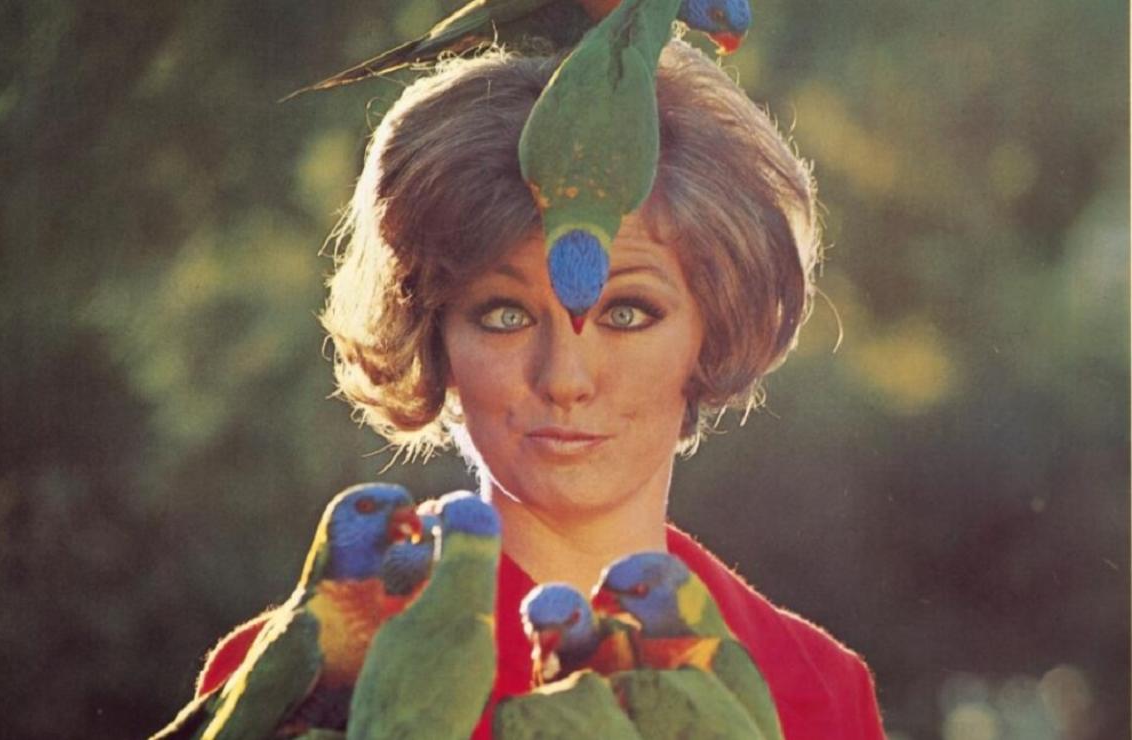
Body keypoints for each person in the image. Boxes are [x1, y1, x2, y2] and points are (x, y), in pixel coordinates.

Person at [200, 38, 885, 739]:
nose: (564, 378)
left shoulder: (819, 686)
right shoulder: (303, 670)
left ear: (714, 326)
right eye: (504, 315)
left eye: (627, 313)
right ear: (433, 335)